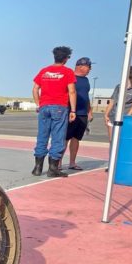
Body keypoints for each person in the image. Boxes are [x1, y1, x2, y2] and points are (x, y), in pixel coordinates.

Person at [31, 46, 77, 177]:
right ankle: (52, 169)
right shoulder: (67, 72)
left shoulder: (44, 71)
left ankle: (37, 168)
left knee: (42, 136)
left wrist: (38, 104)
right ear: (66, 59)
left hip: (44, 107)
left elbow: (35, 88)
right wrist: (73, 110)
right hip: (59, 107)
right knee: (58, 138)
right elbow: (72, 91)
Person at [104, 66, 132, 172]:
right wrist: (106, 114)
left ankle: (122, 165)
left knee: (123, 142)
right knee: (112, 141)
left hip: (126, 119)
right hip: (114, 116)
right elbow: (112, 101)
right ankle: (112, 165)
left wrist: (127, 117)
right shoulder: (119, 87)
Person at [64, 57, 93, 170]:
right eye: (88, 66)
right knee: (65, 138)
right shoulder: (70, 77)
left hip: (82, 114)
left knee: (76, 138)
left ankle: (72, 163)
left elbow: (86, 97)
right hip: (70, 113)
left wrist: (89, 111)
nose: (90, 69)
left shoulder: (86, 80)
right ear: (80, 66)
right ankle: (58, 163)